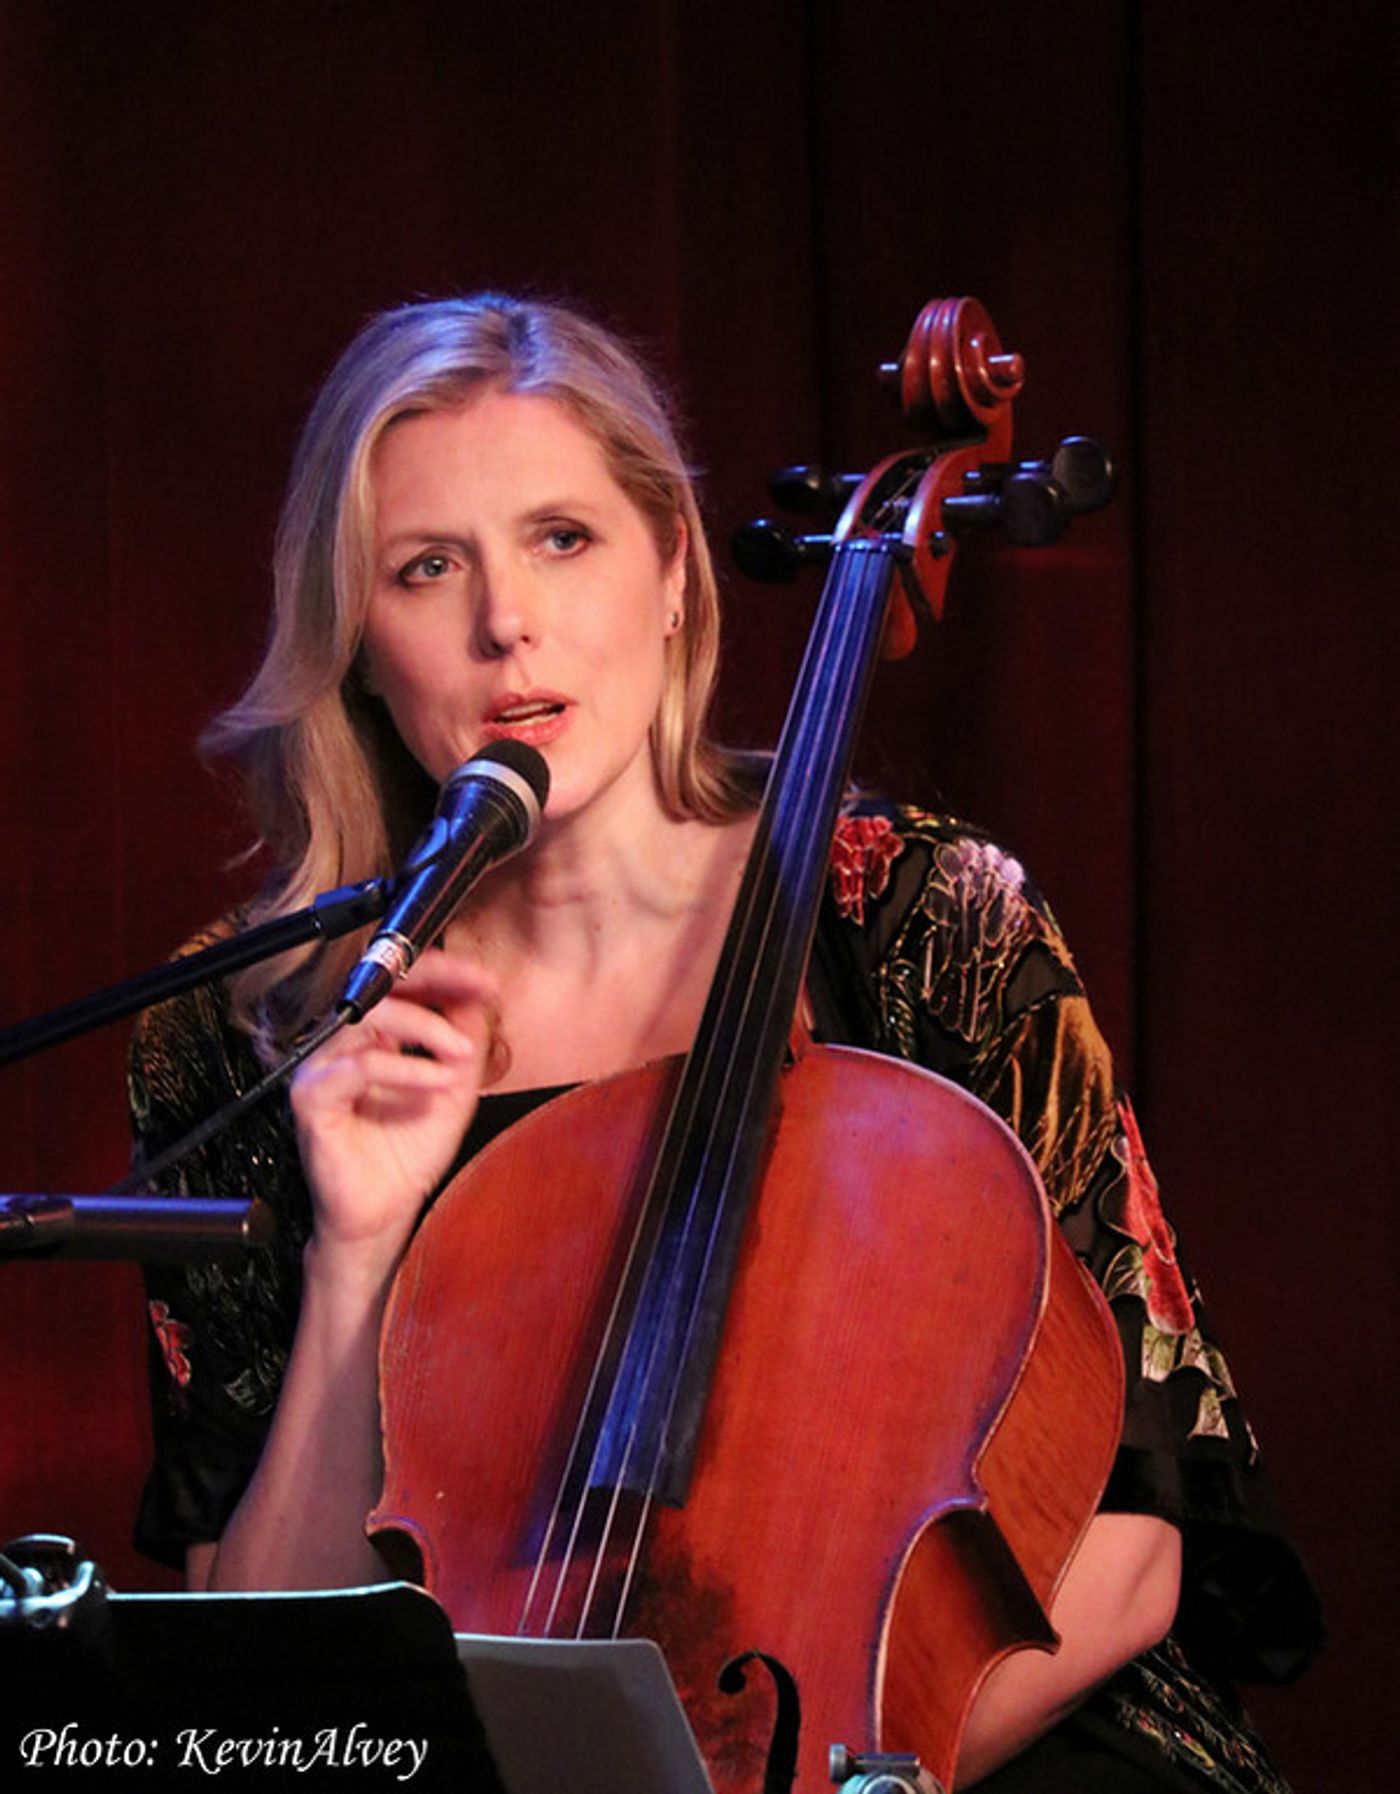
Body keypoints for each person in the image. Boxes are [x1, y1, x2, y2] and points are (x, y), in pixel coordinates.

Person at [131, 293, 1320, 1791]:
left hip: (982, 1755)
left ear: (677, 574)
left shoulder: (922, 920)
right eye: (427, 567)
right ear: (357, 645)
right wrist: (357, 1253)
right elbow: (264, 1689)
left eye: (565, 537)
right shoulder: (251, 1026)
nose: (509, 622)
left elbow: (1137, 1545)